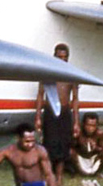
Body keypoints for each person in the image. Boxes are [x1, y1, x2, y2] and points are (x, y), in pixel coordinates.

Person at [34, 43, 79, 175]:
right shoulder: (47, 73)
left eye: (64, 57)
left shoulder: (72, 74)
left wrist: (76, 121)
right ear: (54, 56)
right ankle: (48, 174)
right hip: (50, 112)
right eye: (59, 57)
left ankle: (59, 177)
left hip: (65, 113)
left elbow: (75, 99)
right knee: (49, 142)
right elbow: (40, 95)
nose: (62, 60)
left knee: (64, 144)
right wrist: (37, 116)